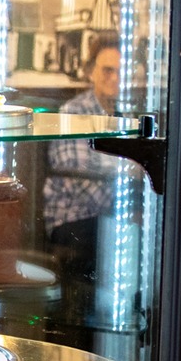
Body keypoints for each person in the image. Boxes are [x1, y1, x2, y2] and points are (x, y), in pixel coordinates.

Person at [43, 34, 124, 284]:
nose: (114, 78)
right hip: (72, 218)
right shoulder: (73, 112)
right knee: (121, 237)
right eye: (107, 70)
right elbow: (79, 179)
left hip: (109, 215)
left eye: (120, 71)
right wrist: (125, 200)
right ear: (91, 72)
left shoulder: (126, 114)